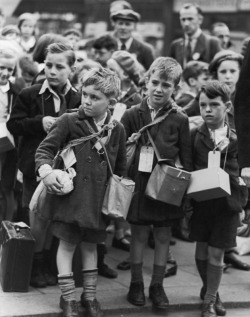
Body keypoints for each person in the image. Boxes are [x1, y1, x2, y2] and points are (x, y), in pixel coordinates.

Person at [35, 67, 127, 317]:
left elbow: (120, 168)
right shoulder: (69, 120)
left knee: (91, 248)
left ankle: (90, 296)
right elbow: (45, 150)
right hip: (71, 200)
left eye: (95, 97)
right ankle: (69, 299)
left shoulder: (117, 128)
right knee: (66, 246)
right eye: (85, 94)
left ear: (112, 102)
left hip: (98, 203)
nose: (86, 100)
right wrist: (47, 172)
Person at [121, 57, 193, 310]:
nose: (159, 89)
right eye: (155, 82)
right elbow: (120, 153)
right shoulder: (131, 114)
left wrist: (183, 191)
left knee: (163, 236)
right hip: (140, 185)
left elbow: (187, 157)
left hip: (166, 187)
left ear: (176, 89)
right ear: (146, 82)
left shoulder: (180, 119)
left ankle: (157, 286)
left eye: (166, 85)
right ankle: (136, 283)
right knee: (138, 235)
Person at [7, 42, 81, 287]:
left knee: (55, 217)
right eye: (48, 65)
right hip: (34, 168)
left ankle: (50, 262)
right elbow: (14, 124)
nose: (52, 71)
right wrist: (40, 122)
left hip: (65, 169)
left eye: (60, 66)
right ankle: (36, 264)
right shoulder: (30, 94)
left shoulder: (79, 97)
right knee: (36, 214)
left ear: (71, 68)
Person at [189, 80, 245, 317]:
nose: (207, 110)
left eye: (214, 104)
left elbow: (245, 169)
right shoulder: (194, 134)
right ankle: (209, 288)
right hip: (201, 202)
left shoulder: (239, 136)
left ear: (228, 106)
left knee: (216, 253)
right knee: (201, 251)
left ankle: (210, 299)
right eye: (203, 105)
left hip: (227, 203)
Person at [0, 47, 22, 222]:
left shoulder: (16, 91)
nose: (5, 73)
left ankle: (4, 227)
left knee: (6, 187)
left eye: (9, 69)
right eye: (1, 68)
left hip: (8, 145)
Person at [169, 3, 221, 68]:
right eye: (183, 19)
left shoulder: (212, 43)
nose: (186, 23)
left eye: (190, 19)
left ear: (200, 20)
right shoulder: (175, 45)